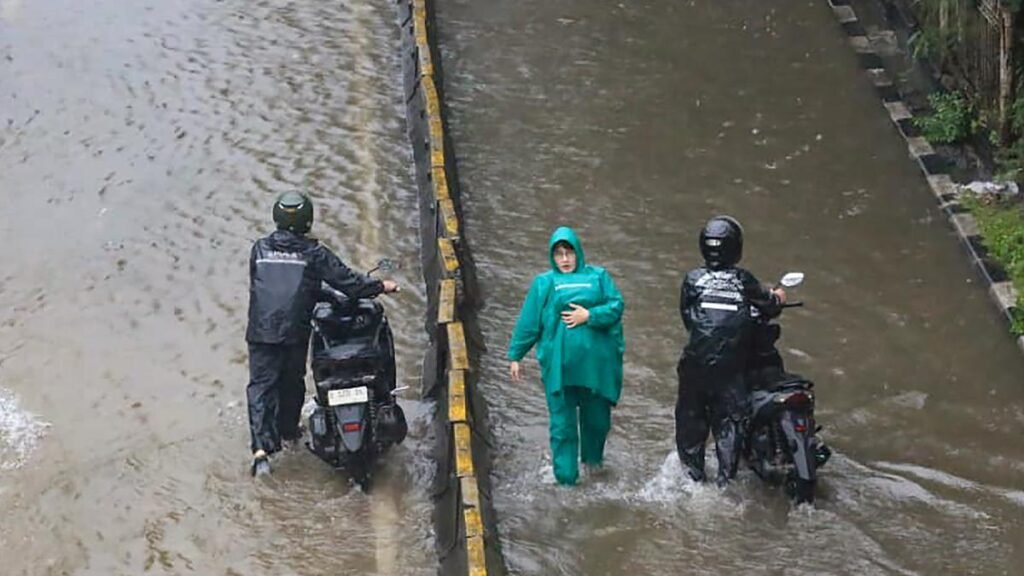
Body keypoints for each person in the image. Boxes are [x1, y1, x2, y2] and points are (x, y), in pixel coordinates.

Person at [246, 190, 399, 476]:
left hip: (261, 329)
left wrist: (320, 293)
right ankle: (290, 433)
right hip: (294, 331)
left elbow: (276, 286)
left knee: (261, 387)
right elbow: (349, 281)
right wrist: (382, 286)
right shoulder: (313, 253)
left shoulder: (260, 249)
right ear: (308, 220)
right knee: (292, 382)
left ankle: (261, 451)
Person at [507, 226, 625, 486]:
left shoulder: (599, 277)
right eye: (559, 254)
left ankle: (594, 468)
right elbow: (530, 321)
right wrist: (516, 355)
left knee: (596, 422)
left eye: (569, 253)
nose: (564, 259)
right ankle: (566, 481)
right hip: (560, 370)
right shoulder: (544, 283)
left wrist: (590, 316)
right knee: (563, 427)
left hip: (595, 369)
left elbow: (616, 306)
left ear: (577, 252)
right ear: (553, 256)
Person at [675, 215, 785, 485]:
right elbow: (770, 306)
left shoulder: (693, 279)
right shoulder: (743, 279)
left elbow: (689, 319)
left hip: (695, 365)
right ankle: (726, 482)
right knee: (730, 423)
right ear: (736, 247)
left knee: (691, 423)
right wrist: (779, 296)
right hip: (730, 369)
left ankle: (693, 478)